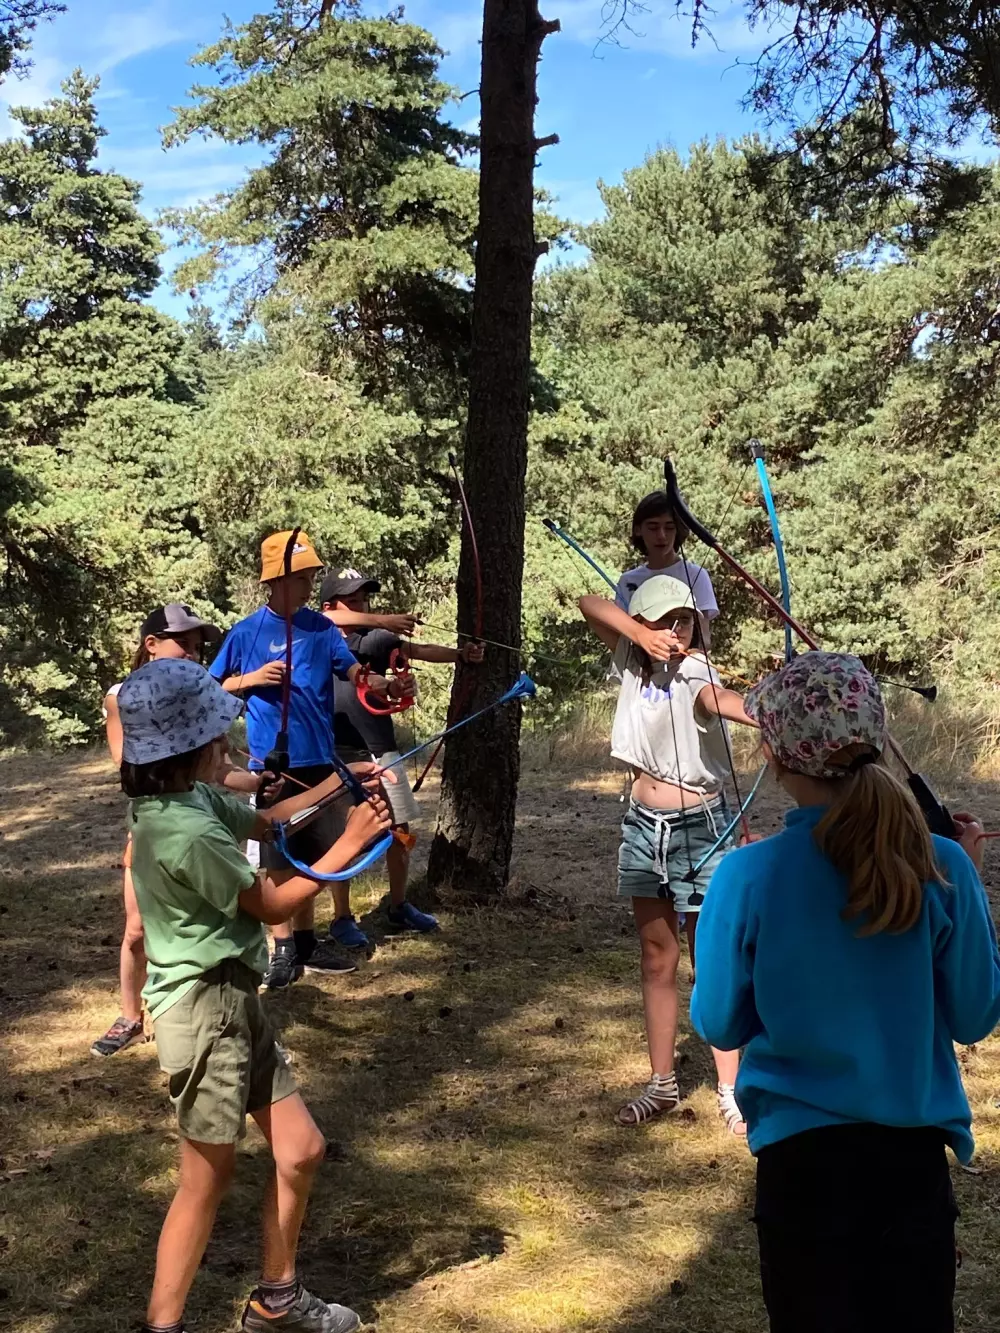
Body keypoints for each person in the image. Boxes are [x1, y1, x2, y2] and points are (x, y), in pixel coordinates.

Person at [691, 652, 1000, 1333]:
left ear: (776, 755)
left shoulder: (745, 876)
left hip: (800, 1171)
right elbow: (977, 1011)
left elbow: (718, 1019)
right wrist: (967, 882)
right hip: (910, 1168)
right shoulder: (940, 863)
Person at [119, 658, 392, 1333]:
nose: (230, 747)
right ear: (192, 747)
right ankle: (164, 1325)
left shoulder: (187, 798)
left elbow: (267, 821)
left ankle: (277, 1299)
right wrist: (351, 842)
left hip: (234, 1001)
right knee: (204, 1180)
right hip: (203, 1012)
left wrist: (339, 786)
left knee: (300, 1148)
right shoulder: (182, 828)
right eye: (220, 737)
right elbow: (270, 903)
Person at [579, 574, 756, 1132]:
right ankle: (662, 1085)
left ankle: (731, 1089)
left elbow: (718, 700)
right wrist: (637, 631)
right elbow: (590, 604)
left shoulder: (697, 668)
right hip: (642, 827)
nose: (678, 630)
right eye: (666, 620)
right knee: (658, 958)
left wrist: (763, 709)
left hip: (700, 828)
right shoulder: (631, 660)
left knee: (711, 962)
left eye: (685, 620)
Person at [92, 604, 280, 1058]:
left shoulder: (197, 692)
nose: (193, 654)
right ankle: (131, 1014)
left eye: (198, 647)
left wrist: (253, 783)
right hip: (158, 822)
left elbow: (219, 767)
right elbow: (129, 764)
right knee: (138, 928)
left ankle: (210, 1017)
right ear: (150, 644)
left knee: (211, 919)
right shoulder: (125, 696)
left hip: (200, 811)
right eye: (183, 643)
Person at [212, 531, 397, 990]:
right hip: (275, 764)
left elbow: (353, 672)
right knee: (279, 853)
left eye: (312, 576)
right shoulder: (246, 632)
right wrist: (250, 679)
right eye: (300, 577)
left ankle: (307, 942)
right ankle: (283, 950)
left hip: (320, 759)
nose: (309, 585)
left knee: (316, 851)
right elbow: (210, 689)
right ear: (274, 580)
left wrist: (379, 686)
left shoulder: (321, 628)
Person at [320, 568, 485, 935]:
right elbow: (327, 618)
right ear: (331, 603)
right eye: (353, 600)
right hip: (337, 751)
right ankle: (341, 917)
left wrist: (461, 655)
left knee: (399, 827)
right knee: (343, 833)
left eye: (365, 599)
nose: (362, 606)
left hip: (380, 747)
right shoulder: (318, 635)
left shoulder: (376, 639)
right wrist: (382, 618)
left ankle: (398, 906)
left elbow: (418, 650)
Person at [615, 491, 718, 644]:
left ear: (678, 530)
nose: (662, 535)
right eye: (653, 527)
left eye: (669, 527)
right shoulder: (627, 580)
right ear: (638, 530)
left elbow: (704, 639)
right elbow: (621, 638)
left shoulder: (696, 574)